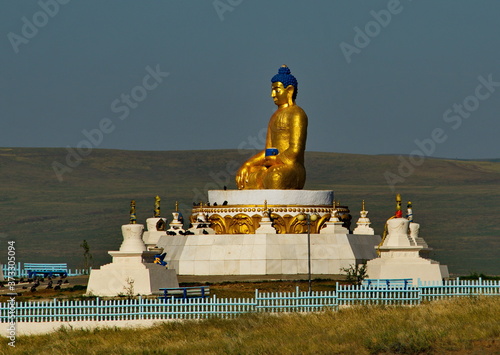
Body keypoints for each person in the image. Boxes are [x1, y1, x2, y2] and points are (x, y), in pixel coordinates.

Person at [235, 65, 308, 189]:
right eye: (272, 90)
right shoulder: (274, 116)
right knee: (249, 176)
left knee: (275, 177)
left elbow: (295, 150)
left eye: (276, 90)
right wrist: (248, 164)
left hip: (291, 167)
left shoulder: (297, 114)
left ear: (289, 90)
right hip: (273, 164)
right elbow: (268, 150)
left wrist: (276, 160)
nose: (272, 94)